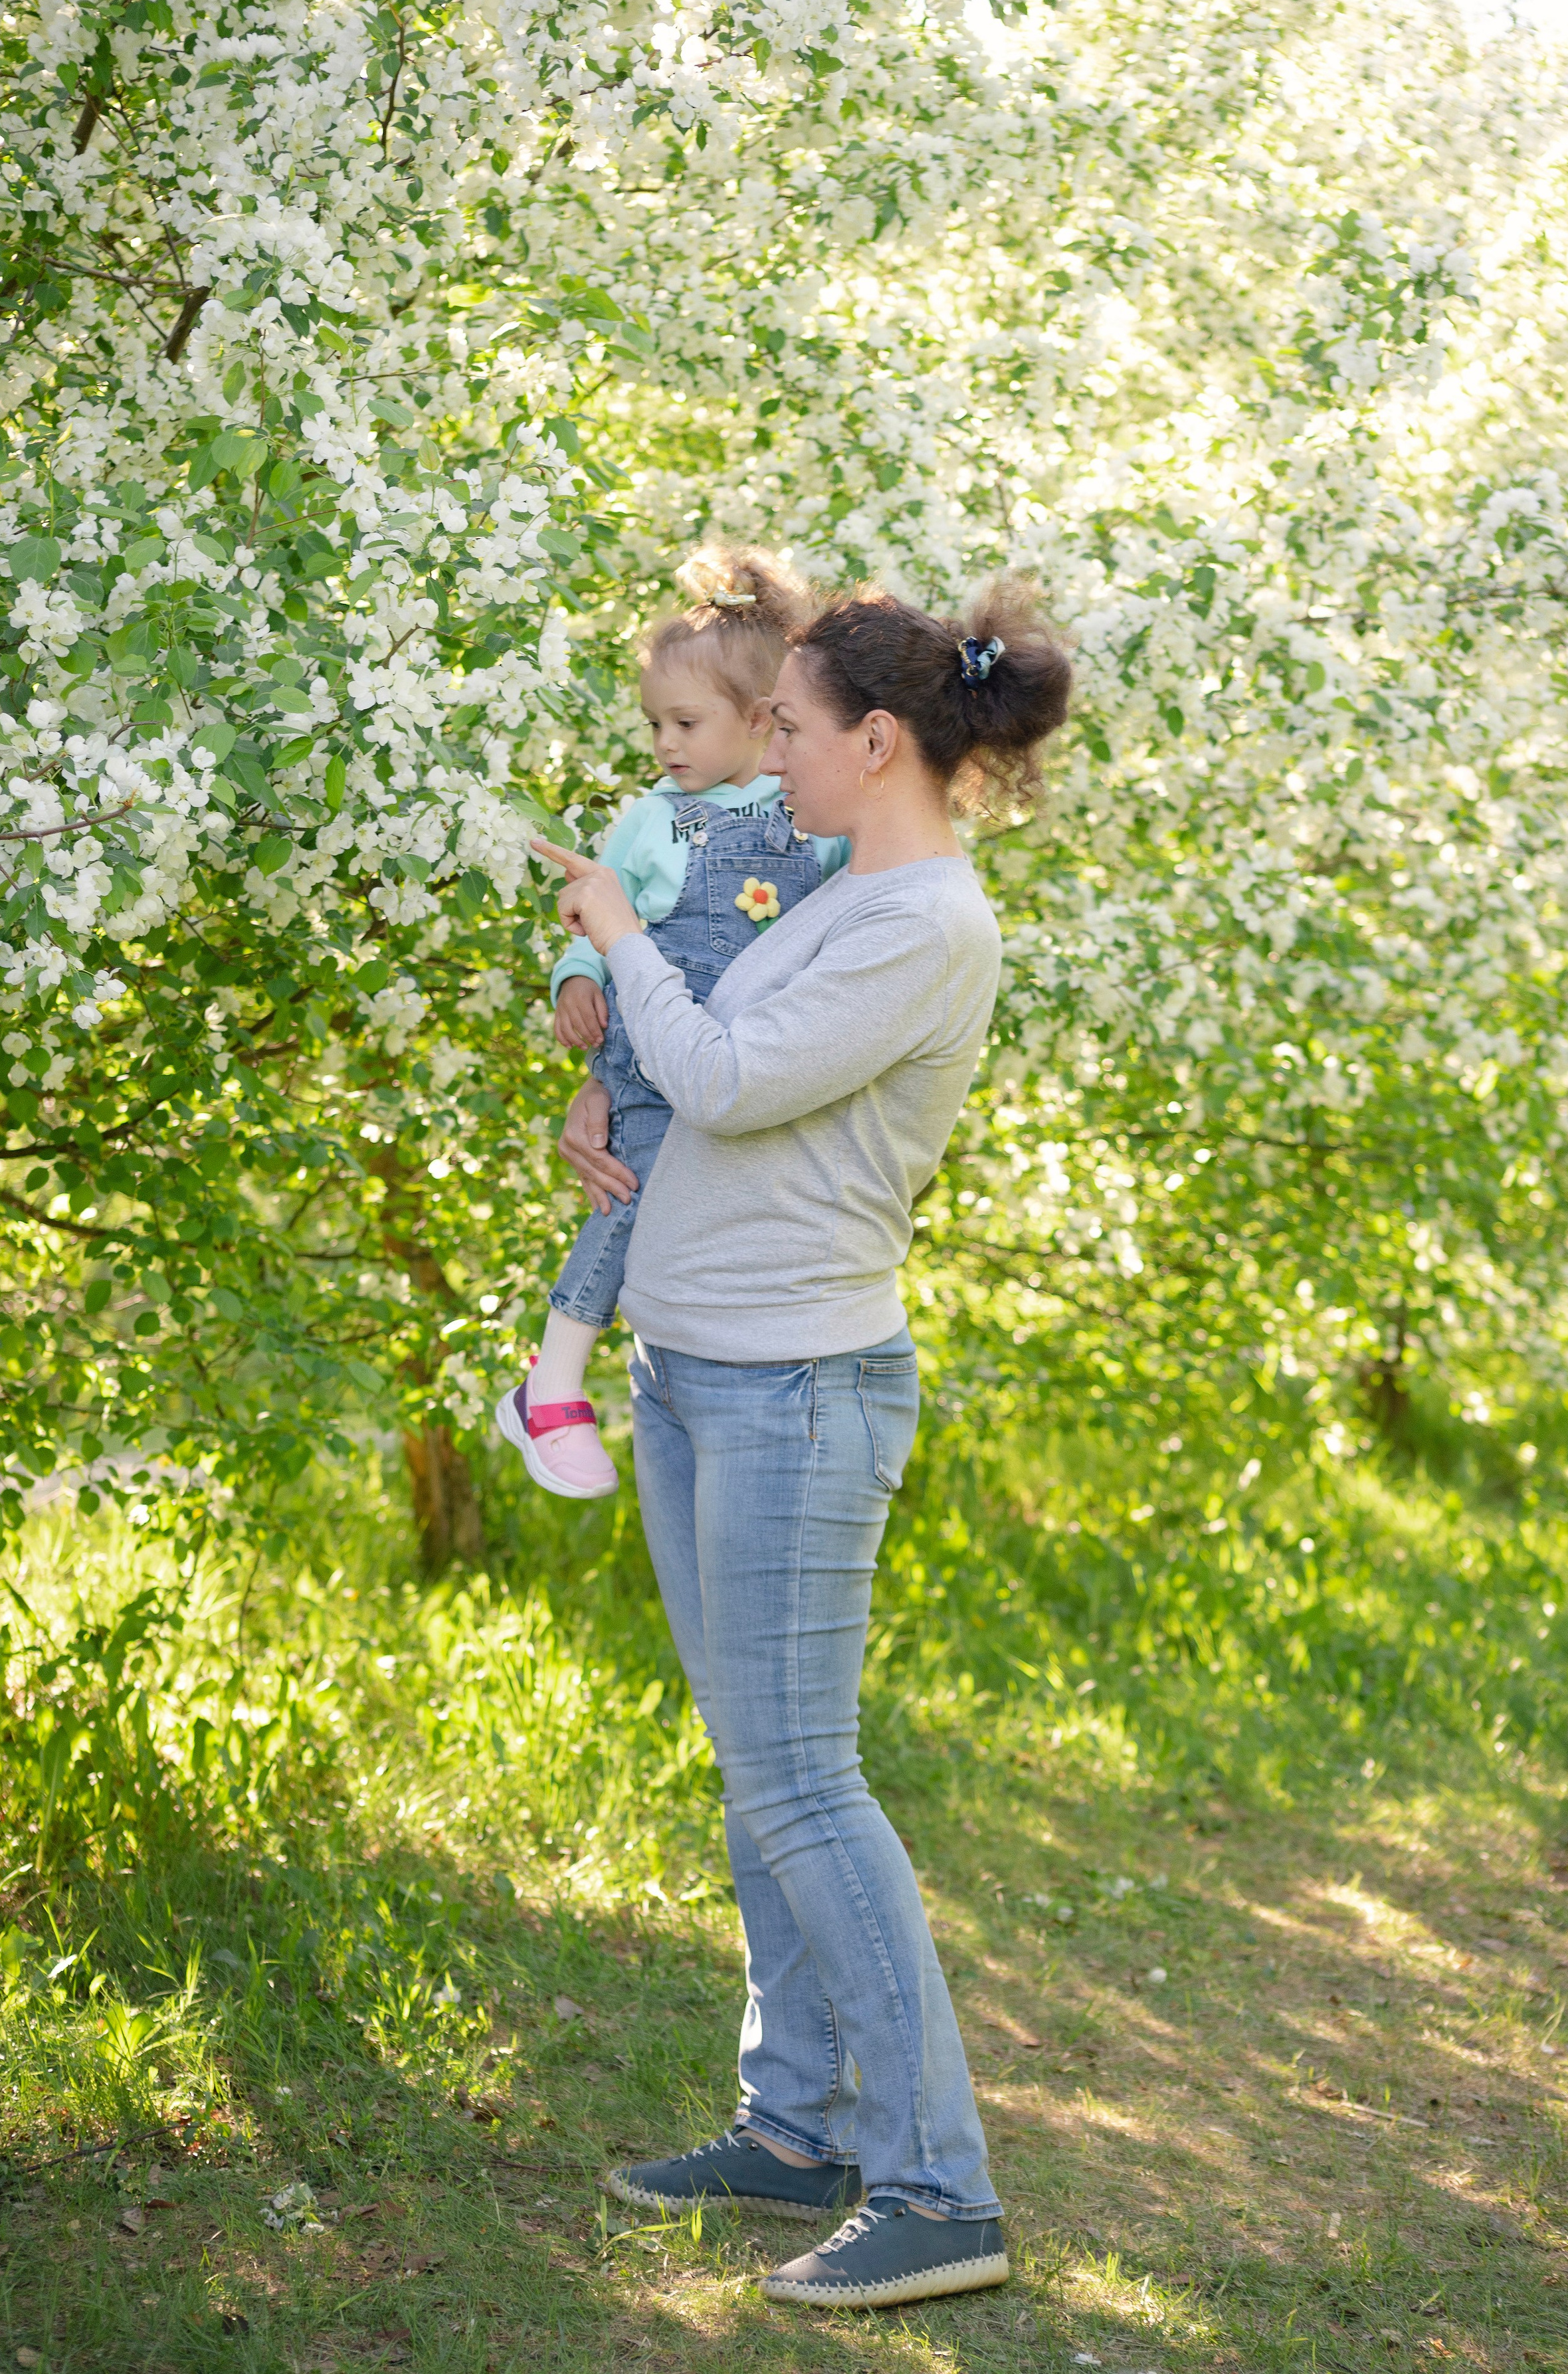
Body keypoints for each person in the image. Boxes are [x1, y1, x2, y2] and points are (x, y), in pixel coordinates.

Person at [532, 579, 1072, 2310]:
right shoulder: (846, 896)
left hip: (795, 1389)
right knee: (759, 1779)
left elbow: (745, 1080)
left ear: (875, 741)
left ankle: (938, 2189)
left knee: (805, 1787)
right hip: (700, 1370)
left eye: (788, 725)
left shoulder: (925, 924)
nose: (764, 748)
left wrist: (616, 934)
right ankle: (799, 2127)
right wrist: (603, 1093)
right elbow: (693, 1060)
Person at [496, 547, 847, 1497]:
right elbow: (597, 912)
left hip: (752, 1064)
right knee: (630, 1199)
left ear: (761, 719)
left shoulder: (813, 808)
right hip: (655, 1056)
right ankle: (553, 1387)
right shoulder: (654, 821)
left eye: (685, 723)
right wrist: (576, 978)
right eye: (656, 724)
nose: (664, 745)